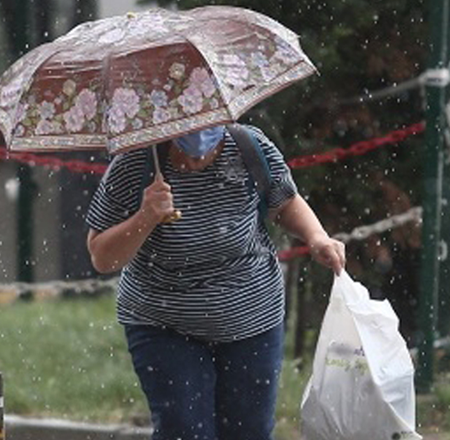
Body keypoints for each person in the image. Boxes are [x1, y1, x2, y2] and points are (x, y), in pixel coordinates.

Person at [85, 124, 345, 440]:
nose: (200, 139)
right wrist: (146, 216)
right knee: (184, 430)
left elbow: (285, 201)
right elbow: (102, 256)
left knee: (248, 432)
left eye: (210, 126)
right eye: (188, 128)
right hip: (163, 322)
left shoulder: (248, 146)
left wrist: (316, 237)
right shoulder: (135, 162)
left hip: (252, 316)